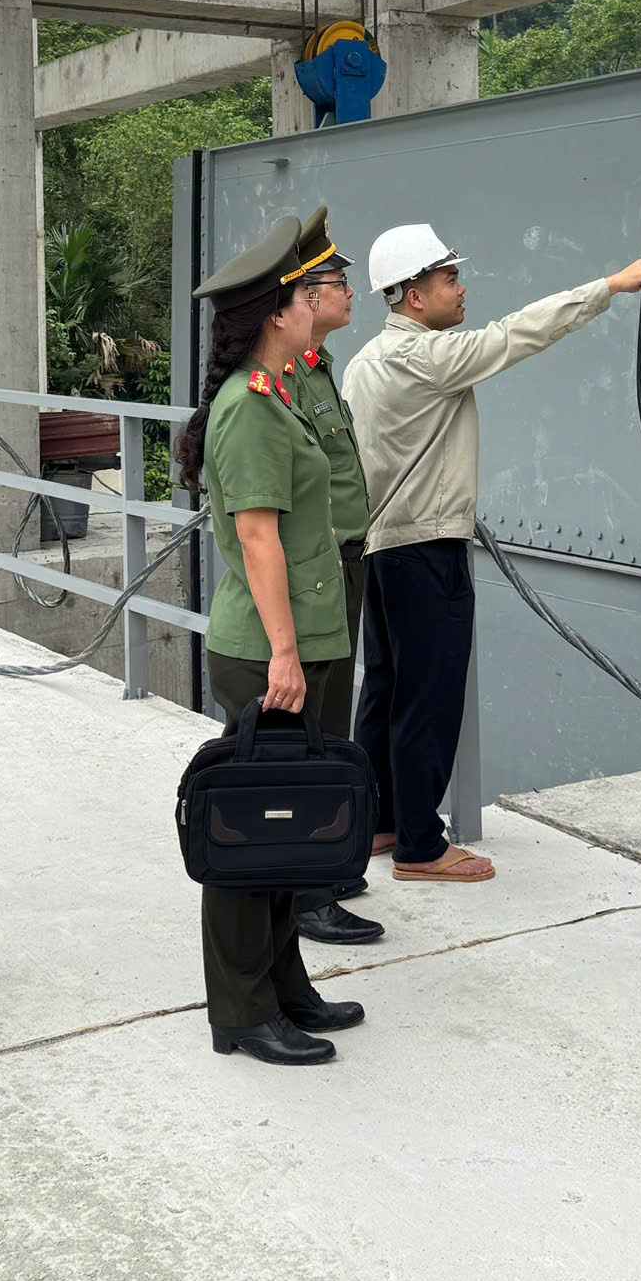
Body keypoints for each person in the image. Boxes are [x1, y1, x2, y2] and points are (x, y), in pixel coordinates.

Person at [339, 224, 641, 884]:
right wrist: (608, 286)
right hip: (426, 547)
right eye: (448, 279)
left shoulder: (365, 361)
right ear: (411, 296)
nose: (461, 289)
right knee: (428, 697)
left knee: (384, 688)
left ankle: (378, 819)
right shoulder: (425, 359)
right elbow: (515, 334)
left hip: (378, 549)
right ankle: (421, 846)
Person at [178, 214, 367, 1067]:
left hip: (307, 639)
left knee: (294, 830)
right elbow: (258, 539)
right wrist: (286, 656)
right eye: (302, 295)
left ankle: (285, 986)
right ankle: (243, 1010)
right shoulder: (250, 409)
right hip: (268, 650)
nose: (311, 305)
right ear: (277, 315)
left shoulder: (280, 392)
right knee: (257, 829)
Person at [284, 208, 385, 950]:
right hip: (314, 574)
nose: (349, 292)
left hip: (346, 561)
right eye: (335, 283)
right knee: (312, 730)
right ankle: (308, 891)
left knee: (332, 723)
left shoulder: (318, 370)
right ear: (301, 297)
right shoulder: (283, 380)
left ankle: (328, 865)